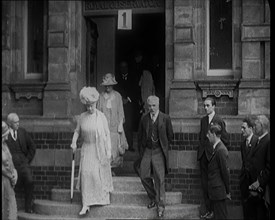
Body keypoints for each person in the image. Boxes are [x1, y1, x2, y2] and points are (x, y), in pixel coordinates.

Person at [71, 86, 113, 215]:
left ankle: (100, 198)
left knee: (96, 175)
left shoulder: (101, 117)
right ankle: (86, 203)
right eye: (87, 106)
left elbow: (107, 134)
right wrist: (73, 142)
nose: (89, 108)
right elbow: (77, 131)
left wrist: (109, 150)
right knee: (85, 175)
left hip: (98, 149)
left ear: (95, 103)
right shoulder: (82, 117)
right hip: (87, 148)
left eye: (92, 106)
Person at [137, 95, 173, 218]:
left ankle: (160, 205)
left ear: (158, 105)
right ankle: (153, 197)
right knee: (143, 175)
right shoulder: (144, 118)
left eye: (154, 106)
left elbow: (170, 136)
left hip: (158, 151)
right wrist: (141, 152)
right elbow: (140, 136)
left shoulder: (165, 118)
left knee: (159, 178)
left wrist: (164, 148)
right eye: (150, 106)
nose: (151, 108)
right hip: (147, 150)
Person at [197, 97, 229, 219]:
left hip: (213, 156)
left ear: (214, 106)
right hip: (203, 156)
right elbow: (201, 137)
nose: (205, 108)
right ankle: (207, 210)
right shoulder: (203, 120)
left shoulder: (219, 120)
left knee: (213, 185)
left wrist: (217, 151)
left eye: (208, 105)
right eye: (204, 105)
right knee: (205, 185)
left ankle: (214, 211)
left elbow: (225, 138)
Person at [97, 73, 128, 174]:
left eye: (109, 85)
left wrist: (120, 124)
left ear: (113, 85)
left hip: (115, 127)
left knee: (114, 148)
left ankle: (112, 169)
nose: (108, 87)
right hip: (104, 127)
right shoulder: (100, 97)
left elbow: (121, 111)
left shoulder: (118, 96)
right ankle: (106, 169)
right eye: (106, 85)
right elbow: (98, 112)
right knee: (104, 147)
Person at [6, 113, 36, 213]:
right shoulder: (5, 134)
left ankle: (28, 207)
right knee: (9, 184)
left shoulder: (22, 132)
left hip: (23, 164)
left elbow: (32, 147)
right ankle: (9, 208)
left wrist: (27, 160)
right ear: (10, 124)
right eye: (15, 122)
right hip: (11, 165)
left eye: (19, 121)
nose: (18, 124)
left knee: (30, 181)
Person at [242, 115, 270, 220]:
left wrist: (259, 182)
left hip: (261, 190)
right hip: (254, 188)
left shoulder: (268, 140)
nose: (254, 126)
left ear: (262, 126)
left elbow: (269, 167)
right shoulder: (259, 140)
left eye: (256, 124)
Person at [206, 124, 231, 220]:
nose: (207, 136)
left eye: (209, 134)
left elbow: (225, 172)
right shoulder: (217, 148)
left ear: (214, 134)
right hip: (216, 192)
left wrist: (227, 191)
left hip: (219, 192)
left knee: (221, 217)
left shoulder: (220, 150)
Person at [239, 116, 259, 220]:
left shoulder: (257, 142)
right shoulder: (243, 144)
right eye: (241, 128)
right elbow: (244, 161)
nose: (242, 130)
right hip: (245, 183)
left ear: (251, 129)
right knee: (246, 211)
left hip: (254, 183)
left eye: (244, 128)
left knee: (254, 212)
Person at [115, 61, 136, 152]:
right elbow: (117, 90)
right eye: (121, 67)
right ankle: (121, 145)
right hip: (119, 104)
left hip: (129, 104)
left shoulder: (132, 77)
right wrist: (121, 99)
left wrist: (128, 99)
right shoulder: (117, 79)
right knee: (120, 124)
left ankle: (130, 145)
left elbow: (135, 89)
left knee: (129, 124)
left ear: (127, 68)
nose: (123, 69)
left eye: (125, 67)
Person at [2, 121, 18, 220]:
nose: (7, 138)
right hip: (3, 181)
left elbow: (11, 161)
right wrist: (10, 175)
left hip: (8, 181)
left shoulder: (5, 146)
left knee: (11, 207)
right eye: (5, 135)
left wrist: (15, 173)